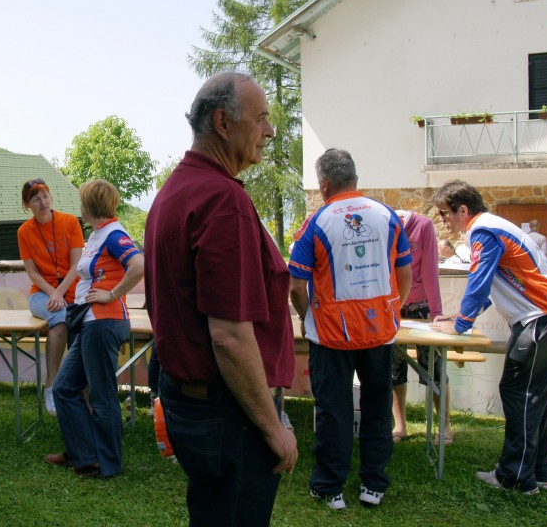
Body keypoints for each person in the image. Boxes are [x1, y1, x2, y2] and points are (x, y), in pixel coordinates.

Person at [144, 72, 298, 527]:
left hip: (191, 401)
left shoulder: (176, 189)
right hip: (226, 412)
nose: (269, 131)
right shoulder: (221, 198)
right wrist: (273, 428)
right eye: (262, 118)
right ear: (223, 123)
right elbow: (229, 336)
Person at [430, 180, 547, 495]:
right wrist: (459, 317)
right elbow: (491, 288)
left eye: (445, 213)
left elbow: (479, 280)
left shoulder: (482, 230)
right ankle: (539, 473)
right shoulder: (494, 227)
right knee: (540, 397)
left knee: (519, 392)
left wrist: (461, 326)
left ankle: (515, 477)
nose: (443, 221)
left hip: (541, 319)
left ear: (463, 209)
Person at [289, 149, 412, 510]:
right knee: (377, 406)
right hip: (379, 330)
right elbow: (404, 273)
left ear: (324, 185)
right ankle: (373, 485)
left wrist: (304, 316)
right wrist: (393, 308)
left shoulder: (317, 222)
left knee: (334, 408)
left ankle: (330, 487)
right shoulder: (388, 215)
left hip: (331, 334)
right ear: (355, 179)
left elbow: (296, 286)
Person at [45, 179, 144, 478]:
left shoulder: (114, 234)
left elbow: (139, 265)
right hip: (89, 322)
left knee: (102, 397)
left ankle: (107, 463)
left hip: (104, 322)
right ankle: (84, 453)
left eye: (82, 201)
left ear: (91, 205)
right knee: (64, 388)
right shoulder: (98, 234)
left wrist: (111, 294)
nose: (80, 205)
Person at [16, 178, 84, 416]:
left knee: (84, 327)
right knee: (60, 319)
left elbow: (77, 264)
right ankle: (51, 387)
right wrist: (53, 293)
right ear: (27, 205)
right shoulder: (24, 231)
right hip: (42, 295)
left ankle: (79, 393)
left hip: (73, 293)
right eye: (36, 199)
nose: (42, 202)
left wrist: (61, 291)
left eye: (45, 196)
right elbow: (32, 272)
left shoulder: (70, 222)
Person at [391, 210, 451, 445]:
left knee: (433, 366)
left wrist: (436, 313)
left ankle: (444, 426)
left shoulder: (424, 226)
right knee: (394, 367)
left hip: (421, 308)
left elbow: (430, 270)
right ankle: (400, 425)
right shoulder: (387, 224)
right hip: (394, 307)